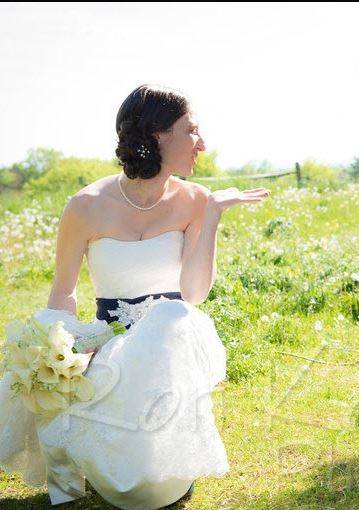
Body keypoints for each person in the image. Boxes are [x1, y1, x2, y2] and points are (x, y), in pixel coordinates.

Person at [0, 84, 270, 509]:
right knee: (117, 460)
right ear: (158, 135)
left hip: (171, 347)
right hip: (107, 340)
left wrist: (213, 215)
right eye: (192, 131)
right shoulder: (85, 206)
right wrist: (57, 352)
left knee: (170, 321)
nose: (202, 143)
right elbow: (63, 291)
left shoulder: (196, 201)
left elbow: (194, 294)